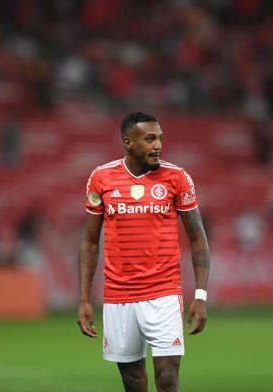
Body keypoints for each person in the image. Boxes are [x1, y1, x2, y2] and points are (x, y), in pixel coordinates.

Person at [77, 112, 210, 392]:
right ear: (128, 142)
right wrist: (84, 299)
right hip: (118, 296)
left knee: (167, 377)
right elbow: (89, 242)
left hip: (164, 293)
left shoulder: (177, 178)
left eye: (160, 138)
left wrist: (200, 295)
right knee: (133, 381)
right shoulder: (101, 178)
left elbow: (198, 238)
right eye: (149, 139)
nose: (158, 145)